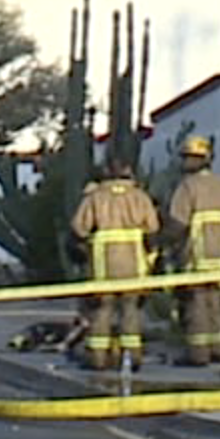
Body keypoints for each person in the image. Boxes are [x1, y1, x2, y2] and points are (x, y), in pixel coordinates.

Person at [70, 155, 159, 371]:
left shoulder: (94, 197)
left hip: (102, 265)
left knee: (102, 310)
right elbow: (153, 228)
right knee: (130, 309)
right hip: (134, 265)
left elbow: (78, 228)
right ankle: (132, 357)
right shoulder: (140, 197)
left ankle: (97, 359)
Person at [164, 135, 220, 365]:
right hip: (218, 256)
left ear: (199, 159)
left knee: (196, 305)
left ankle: (198, 354)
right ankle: (217, 349)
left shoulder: (188, 186)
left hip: (194, 255)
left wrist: (161, 242)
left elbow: (178, 223)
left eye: (188, 158)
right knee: (214, 302)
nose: (184, 162)